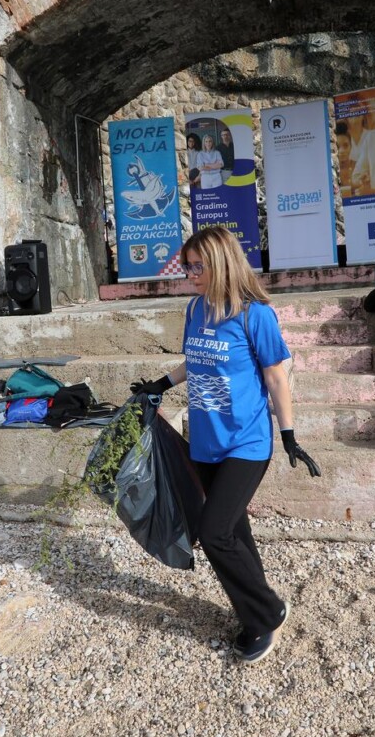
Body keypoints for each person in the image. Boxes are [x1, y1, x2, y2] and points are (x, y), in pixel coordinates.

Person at [131, 226, 321, 664]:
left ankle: (265, 614)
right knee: (233, 529)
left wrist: (289, 435)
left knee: (212, 532)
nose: (191, 274)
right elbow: (196, 360)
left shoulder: (255, 315)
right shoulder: (196, 308)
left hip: (246, 441)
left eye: (199, 266)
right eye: (188, 266)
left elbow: (276, 375)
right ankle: (259, 601)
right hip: (206, 439)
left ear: (222, 264)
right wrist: (160, 383)